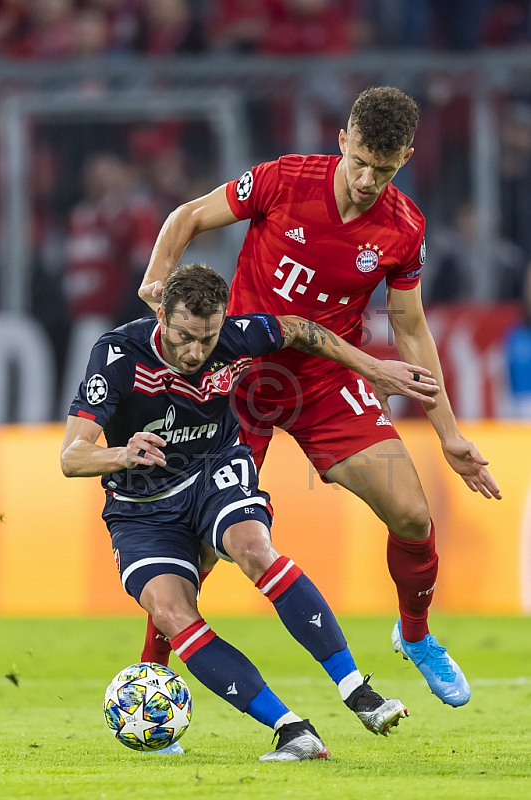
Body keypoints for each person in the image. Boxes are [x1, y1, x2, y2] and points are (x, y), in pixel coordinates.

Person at [139, 87, 503, 709]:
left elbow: (411, 328)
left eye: (383, 169)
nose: (366, 179)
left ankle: (414, 636)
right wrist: (157, 277)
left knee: (413, 515)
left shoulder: (404, 228)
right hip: (239, 376)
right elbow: (188, 217)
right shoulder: (283, 180)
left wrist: (449, 433)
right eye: (359, 160)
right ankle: (151, 683)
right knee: (198, 549)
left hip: (328, 381)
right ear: (342, 139)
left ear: (407, 158)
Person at [61, 263, 441, 760]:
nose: (197, 352)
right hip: (141, 509)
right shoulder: (116, 355)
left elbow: (304, 331)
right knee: (173, 612)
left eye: (207, 337)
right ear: (160, 314)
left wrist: (371, 368)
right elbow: (72, 456)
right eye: (184, 337)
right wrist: (119, 454)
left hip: (213, 472)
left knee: (253, 549)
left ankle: (358, 692)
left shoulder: (239, 335)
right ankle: (292, 730)